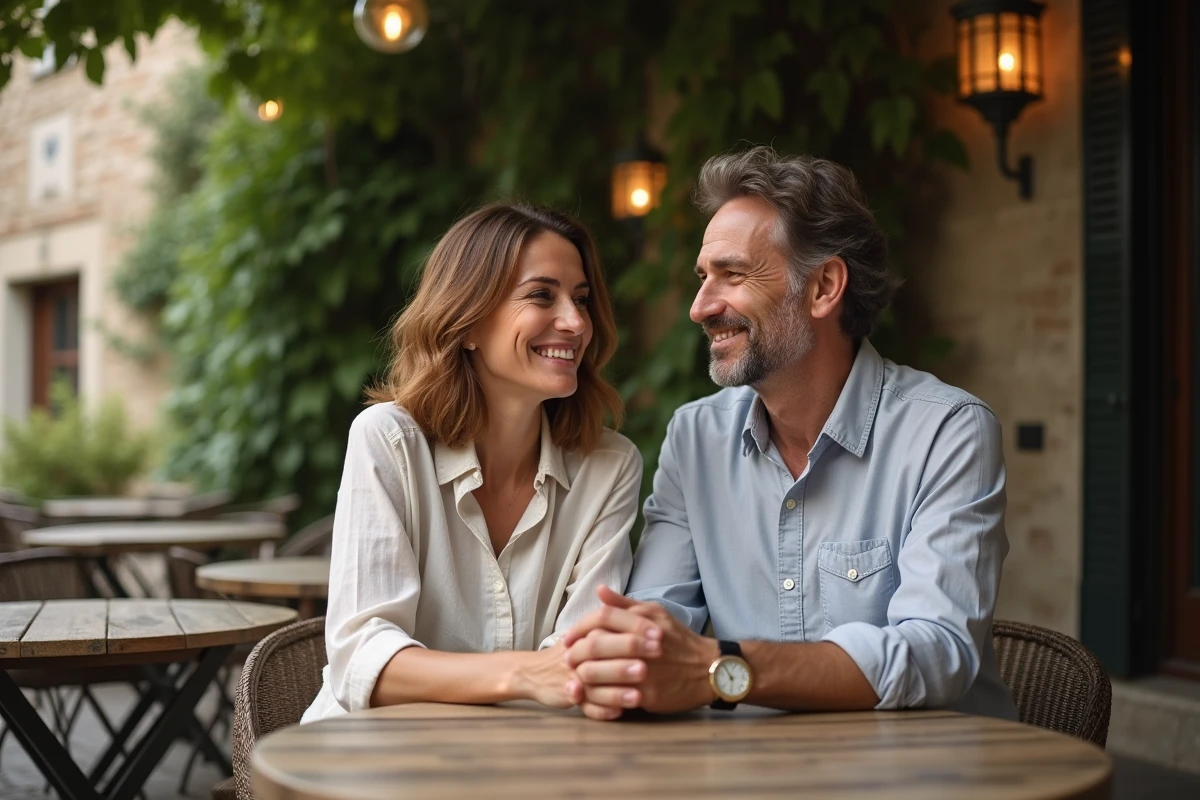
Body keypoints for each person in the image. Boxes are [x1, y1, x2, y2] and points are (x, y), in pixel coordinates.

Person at [562, 147, 1017, 722]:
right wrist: (629, 657)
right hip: (747, 775)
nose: (700, 308)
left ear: (824, 286)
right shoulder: (694, 438)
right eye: (703, 278)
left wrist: (724, 667)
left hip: (912, 774)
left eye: (732, 275)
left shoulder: (947, 433)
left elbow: (936, 652)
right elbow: (658, 614)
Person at [302, 202, 642, 721]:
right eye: (540, 296)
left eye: (581, 299)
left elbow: (585, 663)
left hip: (533, 760)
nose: (575, 322)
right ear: (467, 323)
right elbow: (362, 660)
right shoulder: (388, 441)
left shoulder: (610, 466)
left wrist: (553, 675)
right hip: (373, 762)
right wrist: (528, 674)